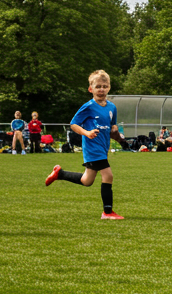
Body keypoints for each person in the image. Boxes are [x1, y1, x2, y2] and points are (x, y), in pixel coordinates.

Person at [44, 70, 124, 220]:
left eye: (104, 86)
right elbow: (73, 124)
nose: (101, 89)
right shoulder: (88, 106)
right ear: (90, 89)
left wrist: (119, 138)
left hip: (103, 148)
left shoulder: (112, 107)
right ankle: (107, 212)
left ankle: (60, 174)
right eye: (98, 86)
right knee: (108, 175)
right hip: (92, 148)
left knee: (87, 181)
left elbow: (112, 127)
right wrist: (87, 133)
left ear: (109, 87)